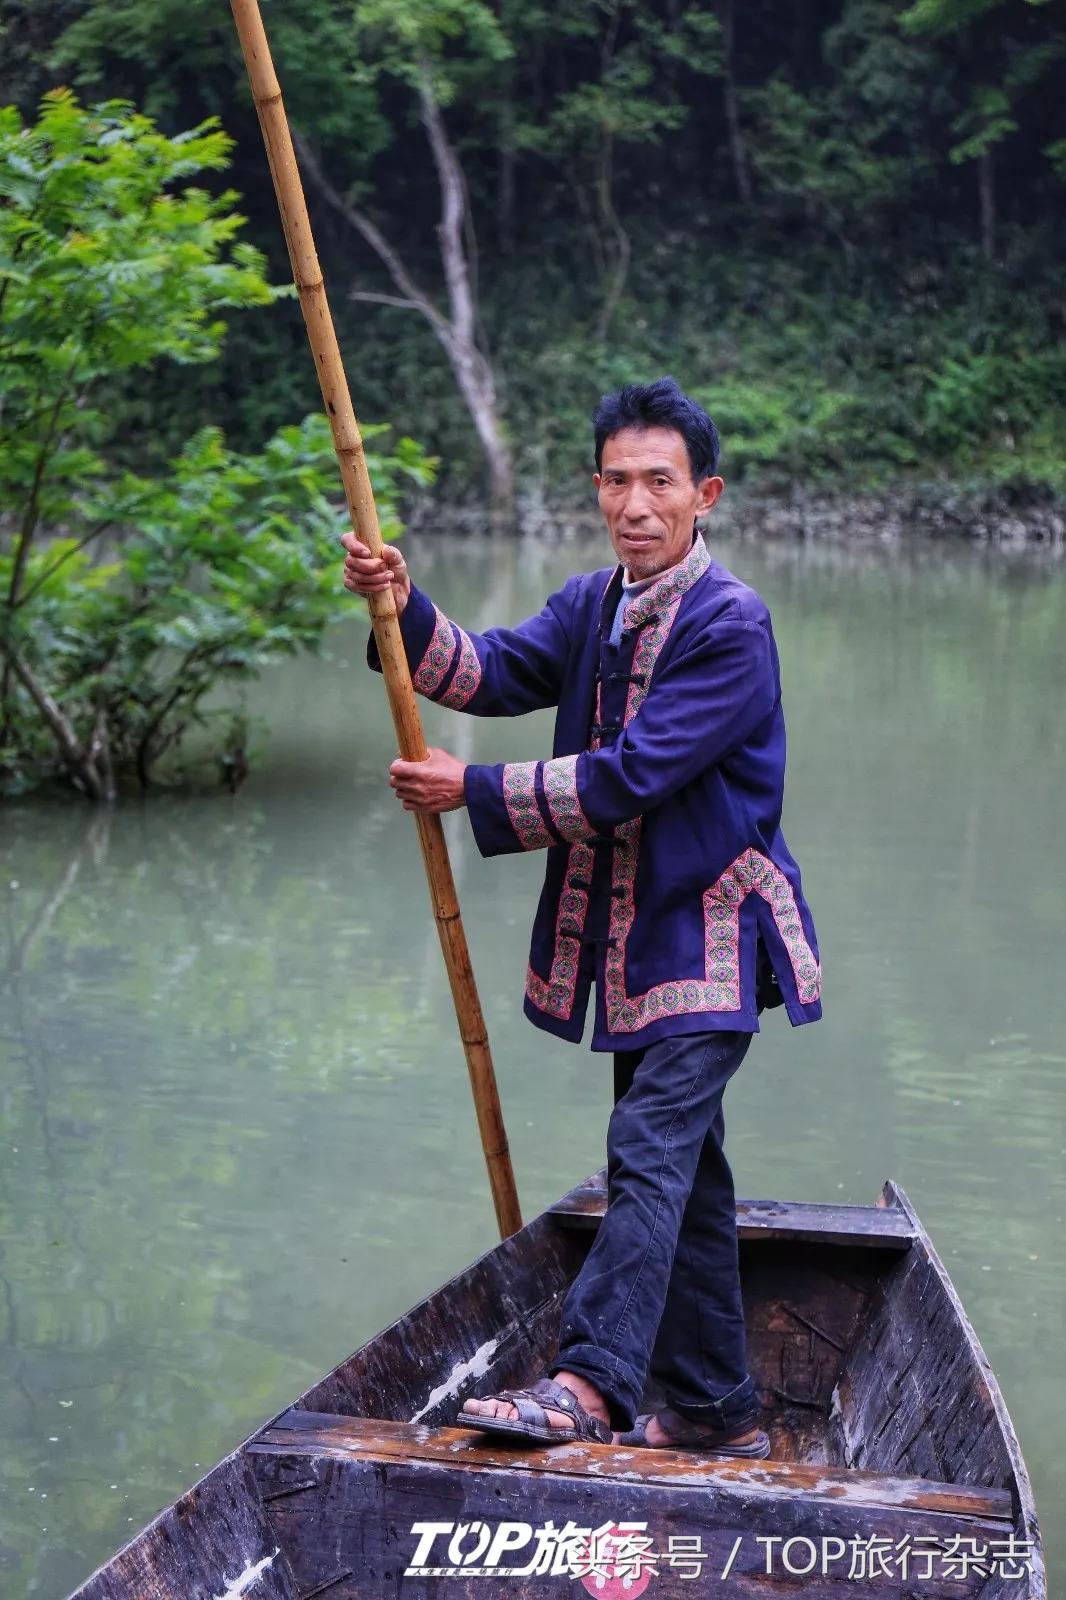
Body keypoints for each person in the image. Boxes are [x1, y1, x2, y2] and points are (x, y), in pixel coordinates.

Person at [342, 377, 821, 1457]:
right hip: (634, 943)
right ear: (596, 489)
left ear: (706, 495)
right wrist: (401, 603)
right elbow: (491, 667)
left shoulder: (730, 624)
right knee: (687, 1176)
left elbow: (629, 775)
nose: (635, 504)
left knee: (646, 1148)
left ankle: (591, 1383)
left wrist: (466, 789)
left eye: (659, 482)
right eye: (616, 480)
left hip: (712, 938)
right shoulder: (592, 603)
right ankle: (712, 1406)